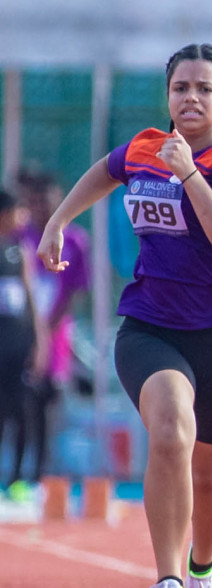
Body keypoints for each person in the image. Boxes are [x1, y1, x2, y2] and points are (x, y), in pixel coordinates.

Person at [36, 43, 212, 588]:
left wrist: (188, 172)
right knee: (170, 430)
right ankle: (166, 578)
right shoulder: (144, 148)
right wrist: (60, 220)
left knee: (211, 472)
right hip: (151, 327)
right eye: (181, 88)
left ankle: (202, 568)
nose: (191, 98)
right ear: (167, 95)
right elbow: (105, 172)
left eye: (204, 89)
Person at [16, 169, 90, 493]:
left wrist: (48, 328)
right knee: (18, 399)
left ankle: (40, 474)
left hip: (55, 333)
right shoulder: (18, 239)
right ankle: (18, 472)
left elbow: (74, 289)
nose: (40, 208)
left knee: (46, 400)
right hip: (20, 333)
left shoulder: (74, 241)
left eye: (46, 201)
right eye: (34, 202)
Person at [1, 189, 48, 494]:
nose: (23, 218)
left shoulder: (21, 250)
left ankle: (17, 478)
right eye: (18, 211)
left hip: (18, 342)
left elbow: (31, 296)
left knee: (21, 410)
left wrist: (40, 341)